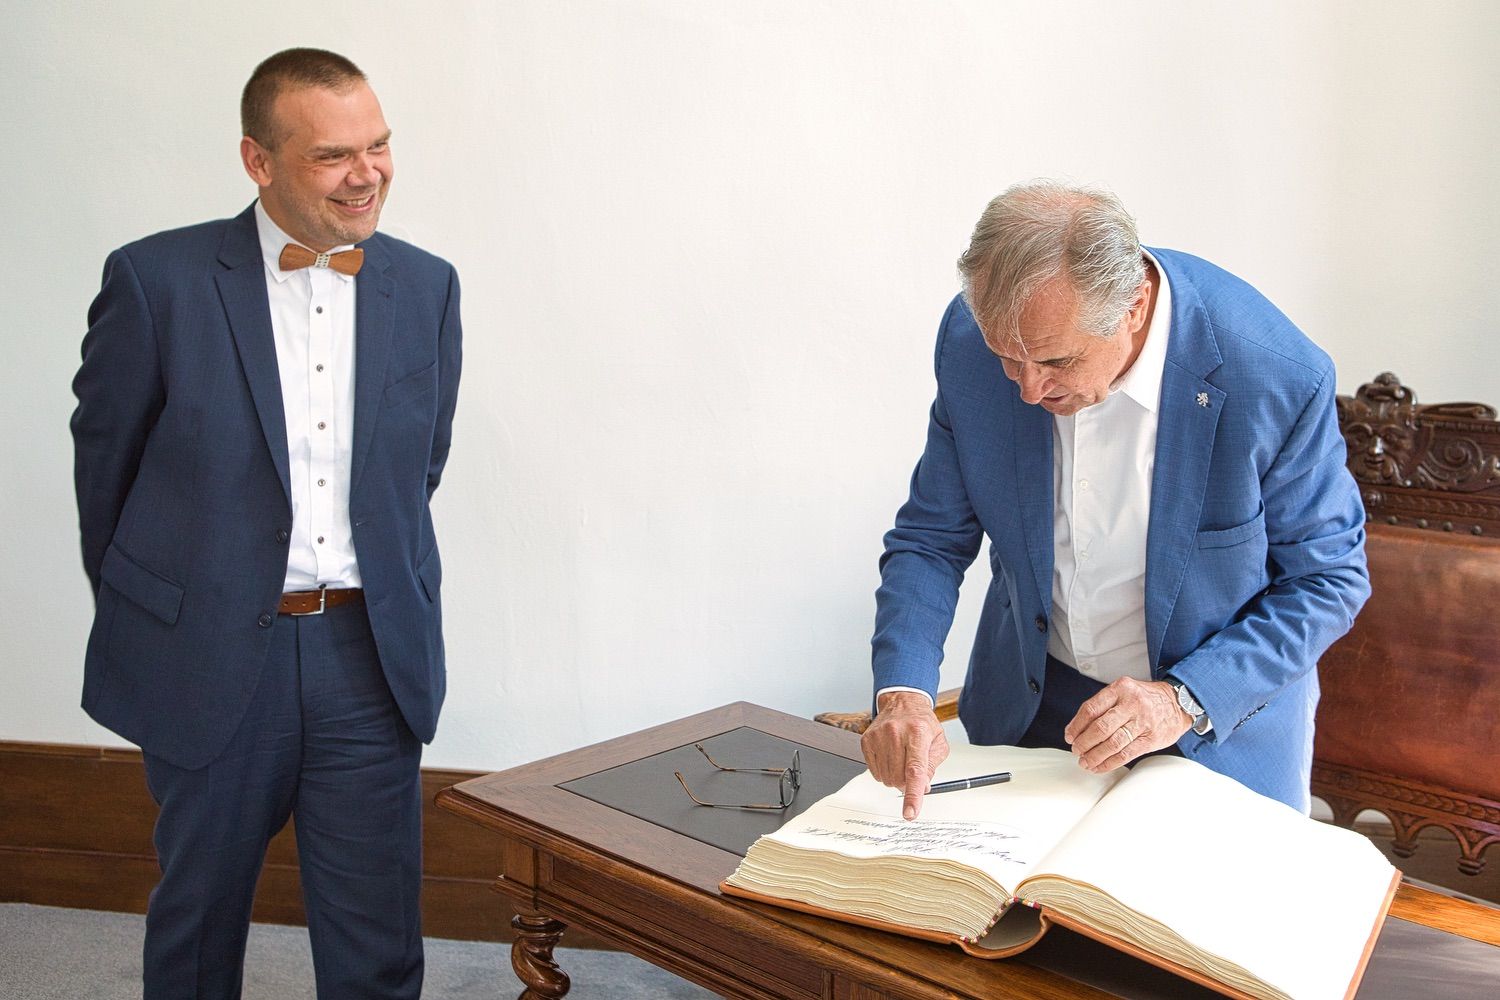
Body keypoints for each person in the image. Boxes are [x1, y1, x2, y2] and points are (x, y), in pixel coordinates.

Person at [71, 48, 462, 999]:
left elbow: (419, 469)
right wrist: (171, 611)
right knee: (199, 927)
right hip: (208, 651)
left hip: (368, 656)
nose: (366, 174)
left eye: (378, 146)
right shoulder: (156, 280)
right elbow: (106, 474)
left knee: (378, 942)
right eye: (332, 155)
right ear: (259, 161)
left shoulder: (428, 287)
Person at [861, 181, 1368, 819]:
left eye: (1055, 361)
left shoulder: (1275, 377)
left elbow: (1328, 581)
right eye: (1008, 360)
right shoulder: (971, 340)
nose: (1028, 389)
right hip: (1032, 709)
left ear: (1133, 307)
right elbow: (931, 540)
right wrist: (903, 691)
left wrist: (1182, 699)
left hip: (1211, 727)